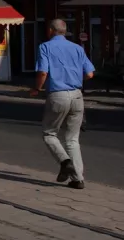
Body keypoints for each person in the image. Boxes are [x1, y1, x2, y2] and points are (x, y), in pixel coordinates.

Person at [31, 18, 95, 189]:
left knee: (50, 134)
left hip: (57, 95)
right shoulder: (77, 48)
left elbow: (43, 73)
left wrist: (36, 89)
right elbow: (90, 74)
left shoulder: (45, 47)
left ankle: (65, 161)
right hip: (77, 95)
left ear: (51, 30)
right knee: (72, 139)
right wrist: (74, 80)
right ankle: (78, 178)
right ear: (64, 31)